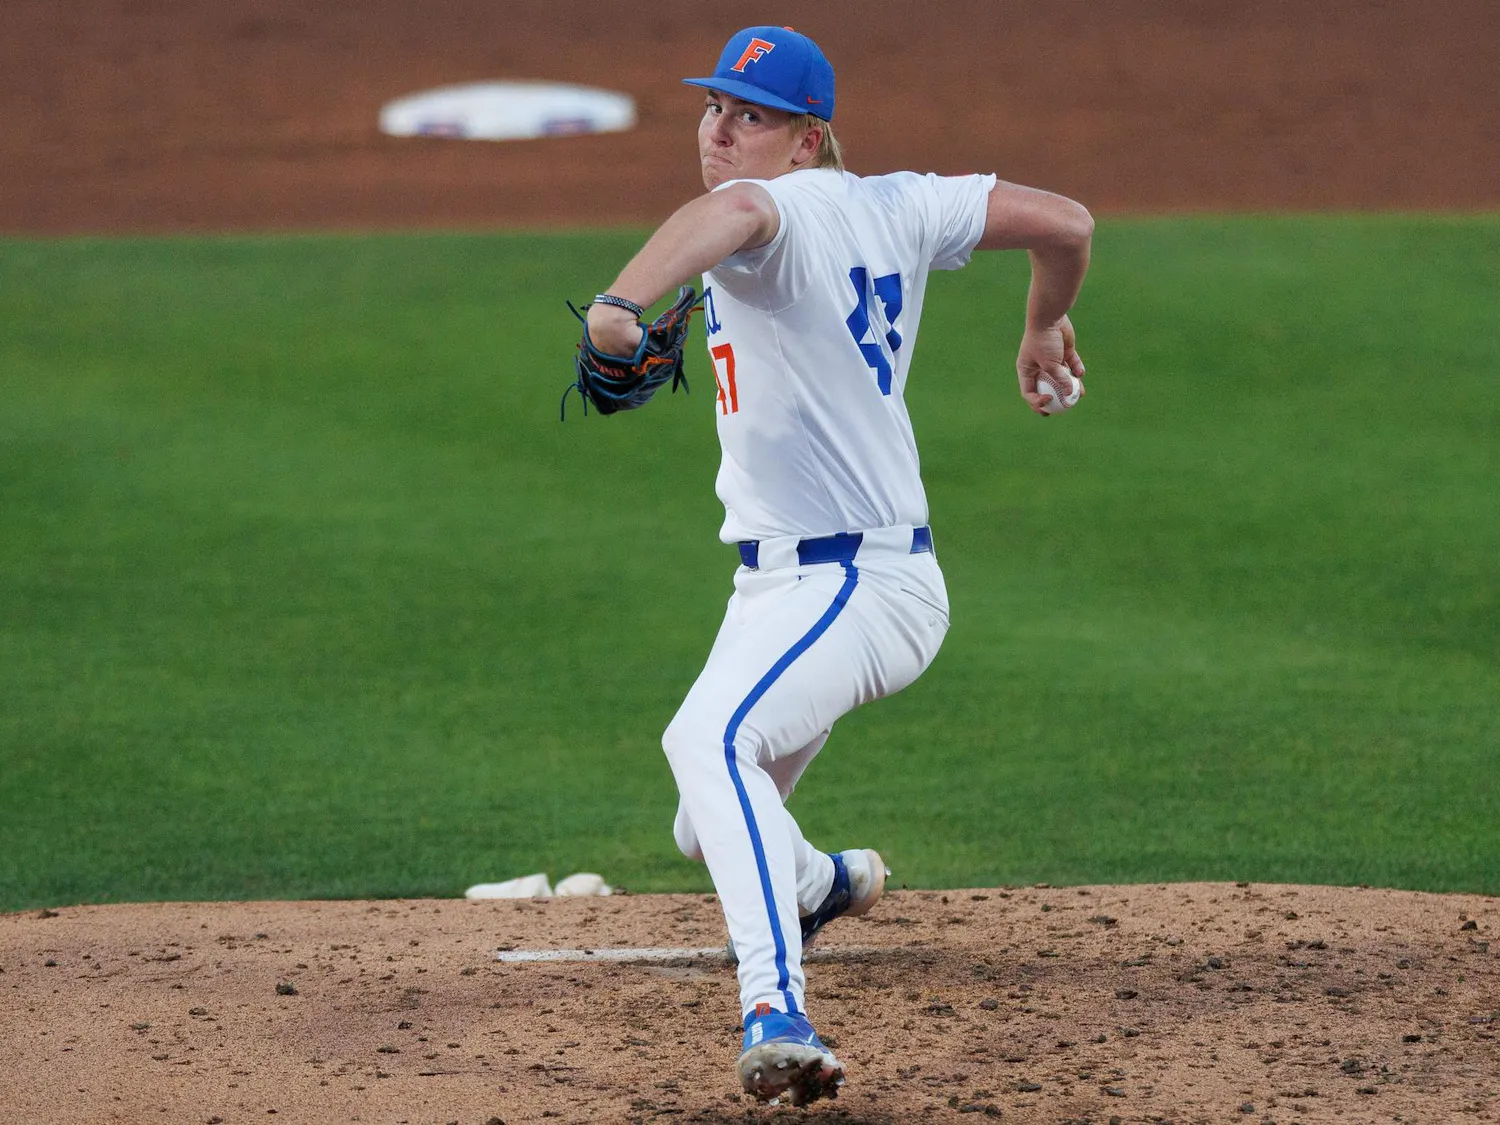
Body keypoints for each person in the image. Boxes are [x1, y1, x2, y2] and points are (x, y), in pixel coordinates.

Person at [581, 25, 1093, 1106]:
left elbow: (734, 213)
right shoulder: (903, 201)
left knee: (707, 742)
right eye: (714, 104)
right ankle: (817, 884)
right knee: (708, 817)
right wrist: (1045, 326)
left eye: (750, 115)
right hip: (792, 587)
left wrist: (619, 304)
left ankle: (777, 1009)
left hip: (859, 583)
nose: (720, 127)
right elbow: (1067, 224)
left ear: (808, 139)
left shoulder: (783, 207)